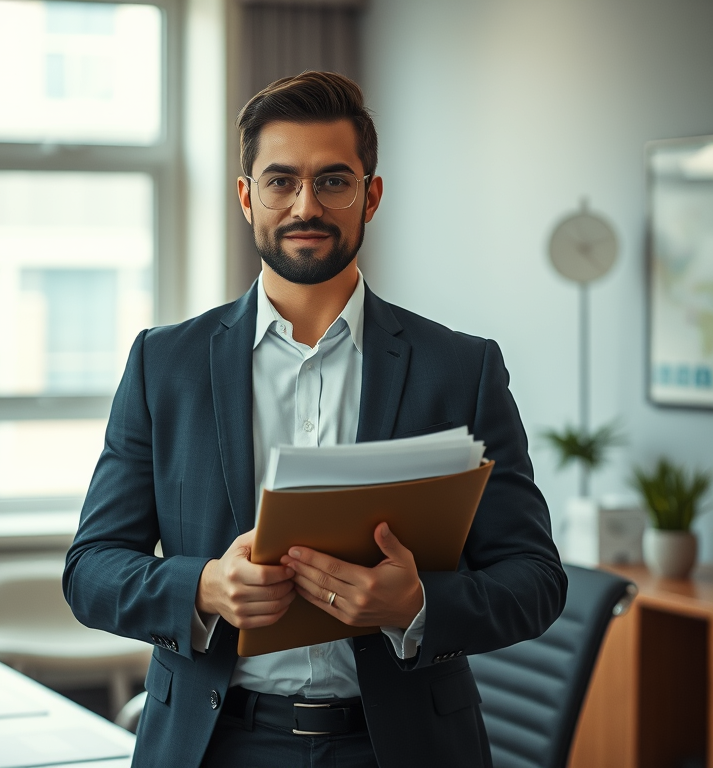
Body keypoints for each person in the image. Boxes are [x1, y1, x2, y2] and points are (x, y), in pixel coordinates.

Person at [63, 71, 565, 768]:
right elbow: (90, 570)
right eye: (280, 181)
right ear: (246, 197)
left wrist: (416, 604)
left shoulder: (461, 368)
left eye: (333, 181)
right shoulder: (163, 364)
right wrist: (204, 586)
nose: (307, 205)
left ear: (371, 195)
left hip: (402, 748)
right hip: (216, 745)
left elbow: (536, 579)